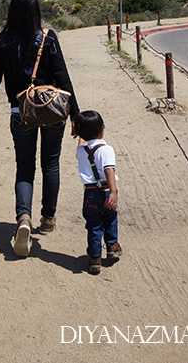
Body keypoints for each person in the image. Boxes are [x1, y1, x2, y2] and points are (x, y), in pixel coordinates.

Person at [0, 0, 79, 257]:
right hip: (52, 111)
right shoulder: (47, 38)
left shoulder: (3, 41)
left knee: (25, 167)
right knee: (51, 164)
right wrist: (75, 116)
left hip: (20, 112)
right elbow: (63, 79)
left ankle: (23, 219)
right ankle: (48, 219)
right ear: (36, 11)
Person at [75, 110, 122, 275]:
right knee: (110, 218)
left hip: (90, 194)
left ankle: (95, 259)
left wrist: (79, 134)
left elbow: (81, 146)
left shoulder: (81, 152)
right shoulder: (107, 149)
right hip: (106, 190)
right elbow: (109, 170)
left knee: (94, 225)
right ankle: (112, 246)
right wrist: (113, 192)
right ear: (102, 129)